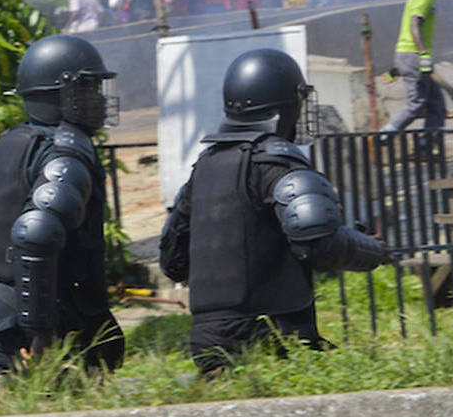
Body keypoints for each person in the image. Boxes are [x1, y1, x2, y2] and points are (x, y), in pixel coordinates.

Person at [159, 48, 391, 376]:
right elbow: (319, 244)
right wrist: (376, 251)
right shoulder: (274, 163)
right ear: (283, 107)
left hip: (208, 347)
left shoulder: (204, 168)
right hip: (273, 339)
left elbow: (172, 261)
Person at [0, 34, 125, 378]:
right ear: (62, 93)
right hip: (37, 332)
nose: (98, 100)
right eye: (88, 89)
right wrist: (39, 333)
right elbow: (37, 233)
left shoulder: (9, 145)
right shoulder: (66, 153)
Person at [379, 0, 447, 147]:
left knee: (436, 103)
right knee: (417, 104)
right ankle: (385, 134)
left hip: (411, 56)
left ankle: (429, 143)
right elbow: (414, 24)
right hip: (414, 56)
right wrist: (423, 54)